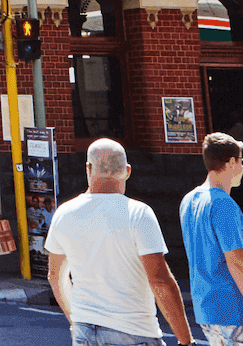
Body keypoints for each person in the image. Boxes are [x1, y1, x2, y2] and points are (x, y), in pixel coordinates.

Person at [45, 138, 193, 346]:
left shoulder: (64, 214)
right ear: (127, 171)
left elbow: (55, 276)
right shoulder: (139, 213)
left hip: (85, 331)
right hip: (134, 331)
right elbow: (160, 281)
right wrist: (186, 341)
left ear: (88, 168)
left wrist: (76, 320)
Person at [180, 133, 243, 346]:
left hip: (206, 308)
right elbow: (237, 263)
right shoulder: (224, 204)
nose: (242, 166)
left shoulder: (188, 201)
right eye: (241, 160)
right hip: (233, 308)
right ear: (232, 162)